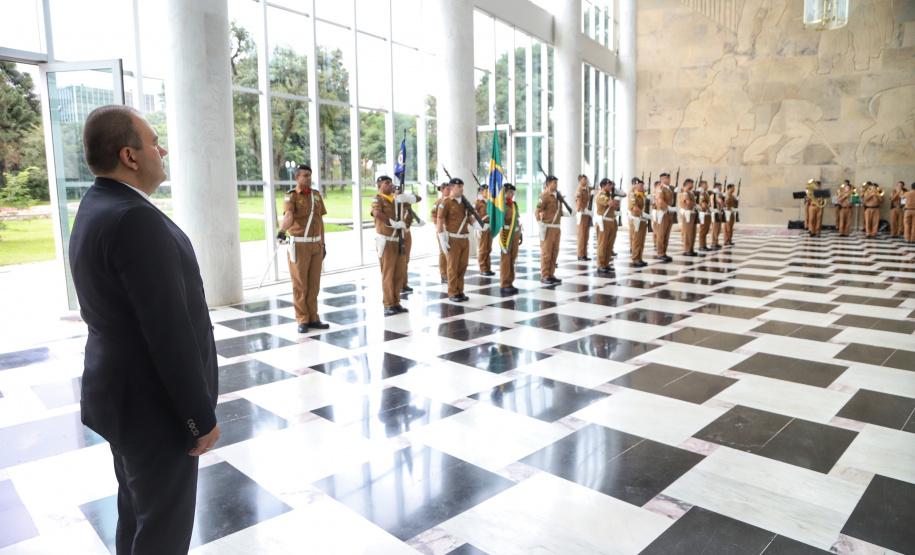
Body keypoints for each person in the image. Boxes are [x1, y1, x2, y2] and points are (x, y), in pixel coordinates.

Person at [69, 105, 220, 555]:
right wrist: (199, 417)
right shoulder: (134, 219)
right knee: (163, 532)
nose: (164, 150)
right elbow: (167, 330)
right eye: (155, 142)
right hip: (155, 408)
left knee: (137, 515)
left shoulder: (99, 203)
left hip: (123, 398)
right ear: (130, 157)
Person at [277, 164, 329, 332]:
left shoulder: (316, 196)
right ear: (297, 177)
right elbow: (289, 215)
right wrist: (282, 231)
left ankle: (314, 317)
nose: (308, 178)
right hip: (299, 244)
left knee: (314, 283)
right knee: (300, 284)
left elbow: (320, 221)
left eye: (310, 175)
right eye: (305, 175)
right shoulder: (291, 196)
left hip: (316, 244)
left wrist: (323, 243)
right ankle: (302, 319)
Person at [437, 177, 482, 301]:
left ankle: (460, 291)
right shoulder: (445, 203)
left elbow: (469, 218)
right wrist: (442, 239)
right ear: (452, 188)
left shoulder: (464, 203)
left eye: (462, 186)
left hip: (464, 238)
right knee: (452, 267)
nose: (462, 188)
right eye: (459, 187)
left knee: (462, 266)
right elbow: (440, 221)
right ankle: (452, 292)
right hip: (453, 238)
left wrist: (478, 225)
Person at [371, 176, 410, 316]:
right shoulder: (378, 199)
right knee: (388, 273)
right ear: (379, 186)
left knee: (399, 272)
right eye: (387, 183)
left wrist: (408, 197)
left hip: (398, 239)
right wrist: (392, 222)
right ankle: (388, 304)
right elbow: (376, 213)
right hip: (386, 240)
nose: (391, 185)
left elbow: (417, 199)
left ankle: (396, 301)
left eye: (391, 183)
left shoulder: (396, 199)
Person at [393, 183, 423, 293]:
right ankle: (398, 284)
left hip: (407, 232)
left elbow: (419, 198)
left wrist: (408, 197)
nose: (399, 193)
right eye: (397, 191)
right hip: (397, 234)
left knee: (406, 260)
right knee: (399, 260)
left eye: (400, 191)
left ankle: (404, 284)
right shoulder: (392, 201)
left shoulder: (405, 200)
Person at [535, 175, 564, 284]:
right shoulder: (544, 196)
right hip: (547, 227)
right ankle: (545, 275)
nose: (556, 185)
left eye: (557, 182)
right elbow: (537, 212)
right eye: (554, 183)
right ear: (548, 184)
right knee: (546, 253)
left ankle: (551, 274)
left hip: (556, 227)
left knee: (554, 252)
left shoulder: (557, 197)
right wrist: (540, 224)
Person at [499, 183, 522, 295]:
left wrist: (520, 233)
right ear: (505, 192)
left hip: (515, 233)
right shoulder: (501, 205)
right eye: (510, 192)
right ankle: (504, 283)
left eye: (513, 192)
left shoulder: (513, 205)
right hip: (506, 233)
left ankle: (510, 282)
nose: (512, 194)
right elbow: (499, 222)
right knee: (505, 259)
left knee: (512, 258)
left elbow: (516, 219)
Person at [594, 178, 618, 273]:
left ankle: (607, 263)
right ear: (603, 186)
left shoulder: (609, 195)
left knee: (609, 244)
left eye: (611, 185)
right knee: (602, 244)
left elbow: (617, 203)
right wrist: (615, 201)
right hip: (604, 222)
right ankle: (601, 265)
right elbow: (612, 203)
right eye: (608, 185)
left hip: (611, 221)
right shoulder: (601, 195)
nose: (611, 187)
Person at [473, 183, 495, 276]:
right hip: (482, 227)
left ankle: (488, 267)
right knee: (482, 249)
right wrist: (478, 225)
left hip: (490, 226)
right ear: (481, 192)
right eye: (487, 191)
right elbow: (472, 214)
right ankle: (482, 268)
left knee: (488, 248)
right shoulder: (477, 202)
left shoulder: (491, 202)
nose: (489, 192)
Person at [431, 182, 451, 283]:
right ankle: (444, 275)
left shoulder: (453, 201)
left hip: (452, 230)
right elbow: (433, 216)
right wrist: (440, 228)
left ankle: (451, 273)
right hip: (442, 230)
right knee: (443, 252)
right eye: (447, 189)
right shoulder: (438, 202)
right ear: (442, 190)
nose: (449, 191)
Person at [653, 172, 674, 262]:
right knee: (661, 234)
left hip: (668, 213)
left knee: (666, 234)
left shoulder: (669, 189)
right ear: (662, 179)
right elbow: (660, 201)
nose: (669, 179)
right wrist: (668, 208)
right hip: (663, 212)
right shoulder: (660, 189)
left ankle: (664, 252)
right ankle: (660, 253)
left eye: (669, 177)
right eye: (667, 178)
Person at [628, 178, 649, 268]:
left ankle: (640, 258)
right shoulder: (633, 197)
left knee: (641, 240)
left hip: (643, 220)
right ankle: (635, 259)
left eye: (643, 185)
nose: (643, 187)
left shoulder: (643, 197)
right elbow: (635, 209)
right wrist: (645, 214)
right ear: (636, 186)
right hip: (637, 220)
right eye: (641, 185)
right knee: (636, 240)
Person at [574, 174, 593, 261]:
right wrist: (586, 210)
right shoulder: (579, 190)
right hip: (581, 213)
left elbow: (595, 189)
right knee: (581, 235)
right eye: (584, 179)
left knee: (586, 235)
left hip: (587, 214)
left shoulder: (588, 189)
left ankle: (584, 254)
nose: (586, 180)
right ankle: (580, 254)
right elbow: (579, 203)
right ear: (580, 180)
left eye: (586, 178)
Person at [680, 179, 698, 256]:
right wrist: (696, 205)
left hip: (692, 213)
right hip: (688, 213)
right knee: (688, 232)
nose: (693, 185)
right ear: (687, 184)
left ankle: (691, 249)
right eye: (692, 183)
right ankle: (687, 250)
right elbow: (688, 202)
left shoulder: (690, 192)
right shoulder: (685, 192)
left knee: (692, 232)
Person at [696, 180, 712, 251]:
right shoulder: (702, 194)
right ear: (701, 185)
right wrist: (709, 209)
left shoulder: (706, 193)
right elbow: (704, 204)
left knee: (706, 230)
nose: (707, 185)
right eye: (706, 184)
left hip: (707, 214)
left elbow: (711, 192)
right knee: (703, 230)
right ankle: (701, 246)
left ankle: (704, 245)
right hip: (703, 213)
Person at [709, 182, 724, 250]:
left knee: (718, 228)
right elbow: (720, 201)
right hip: (715, 213)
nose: (721, 188)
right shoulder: (715, 194)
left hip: (719, 212)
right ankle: (713, 243)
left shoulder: (717, 194)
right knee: (715, 229)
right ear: (717, 187)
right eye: (720, 187)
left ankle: (716, 242)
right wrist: (725, 205)